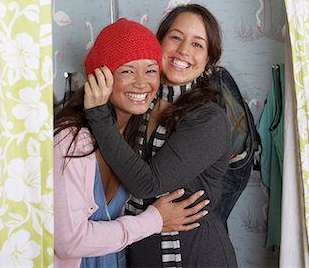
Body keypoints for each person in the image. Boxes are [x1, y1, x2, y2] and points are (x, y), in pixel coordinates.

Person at [84, 5, 238, 267]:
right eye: (176, 37)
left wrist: (97, 114)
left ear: (209, 60)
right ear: (159, 44)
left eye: (198, 44)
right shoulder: (138, 104)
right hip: (138, 251)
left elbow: (148, 184)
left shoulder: (208, 119)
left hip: (195, 254)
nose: (183, 51)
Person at [54, 18, 209, 268]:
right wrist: (154, 220)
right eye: (127, 70)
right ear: (100, 78)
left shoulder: (134, 135)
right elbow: (68, 242)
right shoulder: (72, 139)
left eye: (150, 70)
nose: (141, 82)